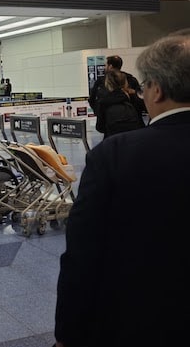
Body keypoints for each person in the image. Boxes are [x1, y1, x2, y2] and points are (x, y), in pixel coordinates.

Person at [54, 33, 190, 347]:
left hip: (141, 319)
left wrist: (67, 332)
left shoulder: (113, 156)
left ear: (156, 89)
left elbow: (83, 254)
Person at [94, 70, 145, 138]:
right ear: (125, 83)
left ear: (108, 85)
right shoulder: (135, 98)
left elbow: (100, 127)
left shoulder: (103, 102)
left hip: (112, 140)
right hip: (135, 138)